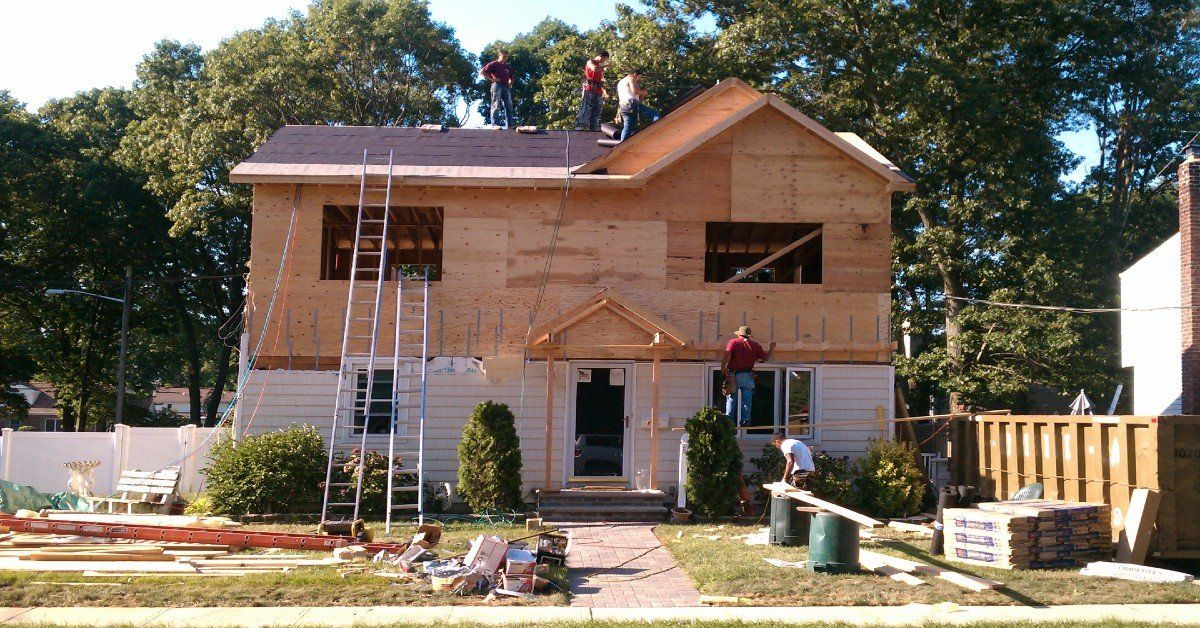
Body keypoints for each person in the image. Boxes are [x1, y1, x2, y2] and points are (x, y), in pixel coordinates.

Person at [720, 326, 776, 426]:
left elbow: (727, 355)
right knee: (747, 399)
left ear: (739, 334)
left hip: (734, 375)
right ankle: (745, 419)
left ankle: (729, 422)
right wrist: (772, 348)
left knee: (731, 399)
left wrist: (723, 367)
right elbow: (765, 358)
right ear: (749, 336)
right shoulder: (755, 345)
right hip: (747, 375)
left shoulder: (733, 342)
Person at [616, 68, 660, 141]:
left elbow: (638, 99)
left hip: (624, 106)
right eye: (638, 77)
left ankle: (622, 144)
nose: (638, 80)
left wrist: (642, 95)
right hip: (631, 104)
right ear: (635, 74)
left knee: (628, 127)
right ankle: (658, 132)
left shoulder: (621, 82)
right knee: (655, 114)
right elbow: (635, 91)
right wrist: (644, 92)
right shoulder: (631, 78)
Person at [574, 50, 610, 131]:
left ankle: (594, 126)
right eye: (604, 59)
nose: (603, 61)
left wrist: (604, 91)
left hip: (598, 89)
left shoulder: (600, 66)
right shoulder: (590, 62)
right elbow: (594, 69)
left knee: (597, 109)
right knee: (586, 106)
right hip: (589, 88)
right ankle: (581, 124)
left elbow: (600, 80)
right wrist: (605, 66)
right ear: (601, 56)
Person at [480, 50, 515, 128]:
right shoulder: (494, 64)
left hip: (506, 87)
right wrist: (492, 79)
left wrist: (510, 83)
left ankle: (510, 125)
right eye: (504, 56)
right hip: (497, 85)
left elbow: (511, 77)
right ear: (499, 55)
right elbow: (482, 72)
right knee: (496, 104)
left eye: (507, 57)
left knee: (509, 105)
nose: (505, 58)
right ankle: (495, 124)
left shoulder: (507, 67)